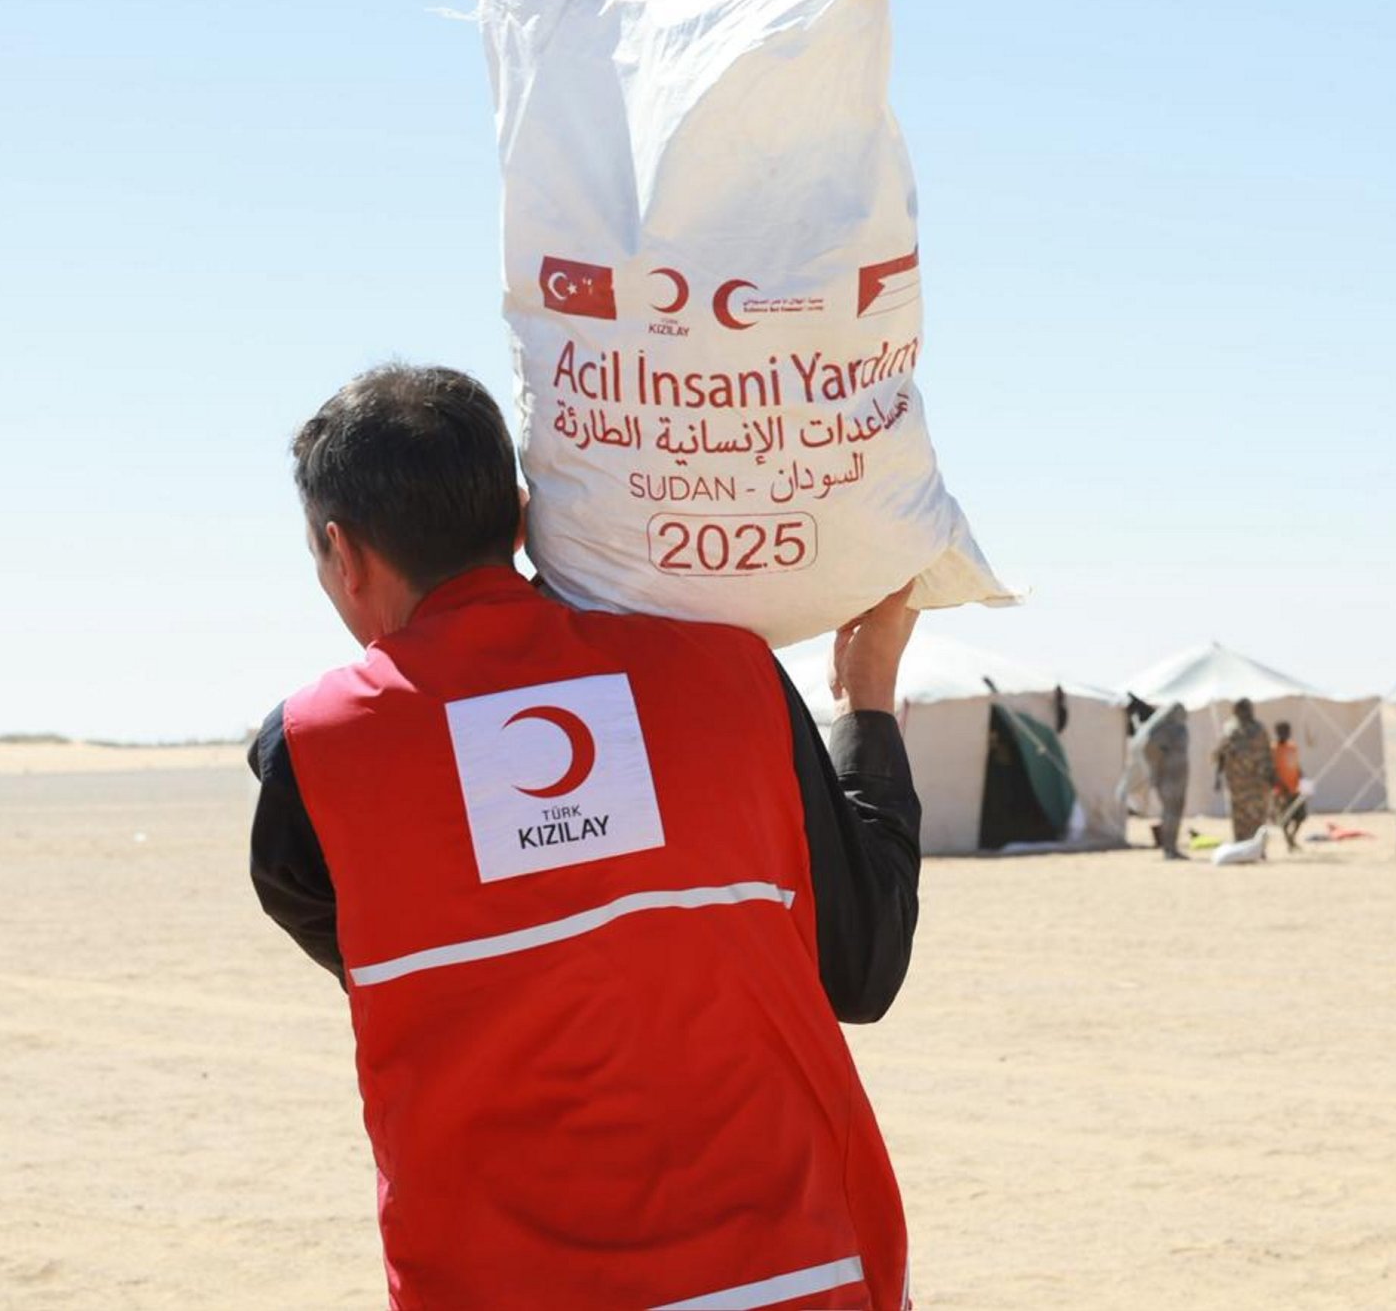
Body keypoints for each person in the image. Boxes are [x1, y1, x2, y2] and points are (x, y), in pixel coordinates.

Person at [246, 364, 922, 1309]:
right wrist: (868, 705)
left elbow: (379, 952)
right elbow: (865, 967)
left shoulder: (310, 760)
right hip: (800, 1272)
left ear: (341, 551)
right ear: (520, 520)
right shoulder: (731, 679)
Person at [1124, 695, 1191, 859]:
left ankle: (1172, 847)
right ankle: (1168, 848)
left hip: (1179, 777)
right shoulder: (1163, 731)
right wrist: (1156, 770)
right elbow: (1149, 749)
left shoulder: (1179, 729)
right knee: (1170, 813)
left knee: (1176, 812)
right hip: (1168, 777)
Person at [1213, 697, 1276, 843]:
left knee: (1258, 815)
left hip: (1258, 781)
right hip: (1238, 782)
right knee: (1239, 815)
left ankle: (1257, 845)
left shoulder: (1259, 728)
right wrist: (1217, 776)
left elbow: (1268, 754)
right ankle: (1241, 843)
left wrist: (1272, 774)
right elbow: (1222, 753)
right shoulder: (1230, 728)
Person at [1271, 720, 1309, 852]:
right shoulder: (1273, 749)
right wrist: (1280, 785)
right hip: (1280, 790)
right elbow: (1272, 770)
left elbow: (1296, 766)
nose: (1285, 734)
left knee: (1300, 816)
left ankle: (1292, 838)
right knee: (1284, 818)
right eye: (1282, 731)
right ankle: (1288, 841)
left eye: (1287, 731)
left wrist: (1303, 780)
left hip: (1295, 788)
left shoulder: (1293, 747)